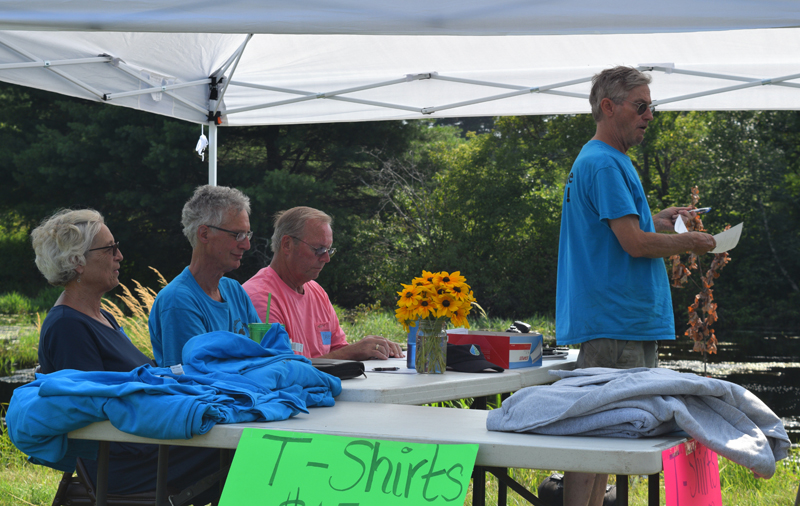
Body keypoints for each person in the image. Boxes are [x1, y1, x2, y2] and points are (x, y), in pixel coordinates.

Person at [555, 66, 716, 506]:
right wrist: (690, 242)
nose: (649, 116)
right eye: (640, 106)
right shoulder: (605, 162)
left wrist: (658, 219)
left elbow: (627, 230)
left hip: (619, 320)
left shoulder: (603, 159)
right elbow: (634, 243)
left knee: (605, 439)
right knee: (595, 439)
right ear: (609, 107)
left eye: (652, 107)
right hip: (616, 321)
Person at [31, 209, 220, 503]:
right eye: (110, 248)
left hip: (145, 444)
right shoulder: (68, 327)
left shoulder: (101, 316)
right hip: (124, 461)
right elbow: (94, 410)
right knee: (247, 449)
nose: (119, 256)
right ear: (76, 262)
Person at [243, 206, 403, 360]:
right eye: (319, 250)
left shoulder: (316, 291)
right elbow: (282, 369)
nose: (326, 259)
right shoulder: (261, 298)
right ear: (287, 245)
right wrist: (352, 352)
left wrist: (371, 350)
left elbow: (338, 350)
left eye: (329, 250)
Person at [149, 185, 261, 367]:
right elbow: (198, 380)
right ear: (204, 234)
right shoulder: (178, 301)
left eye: (247, 234)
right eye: (238, 235)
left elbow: (263, 357)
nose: (246, 245)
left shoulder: (235, 291)